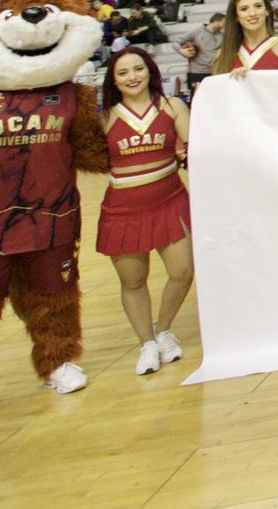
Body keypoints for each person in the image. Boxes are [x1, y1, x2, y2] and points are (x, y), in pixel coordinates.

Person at [97, 48, 193, 378]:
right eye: (123, 73)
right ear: (113, 79)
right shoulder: (104, 117)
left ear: (150, 71)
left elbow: (197, 147)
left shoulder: (171, 106)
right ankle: (146, 342)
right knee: (133, 281)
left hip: (170, 201)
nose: (133, 76)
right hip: (123, 211)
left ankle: (163, 329)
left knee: (182, 272)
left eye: (138, 69)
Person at [214, 0, 278, 74]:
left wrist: (256, 80)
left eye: (258, 6)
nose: (252, 13)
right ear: (236, 16)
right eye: (244, 9)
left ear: (267, 10)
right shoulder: (222, 54)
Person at [176, 10, 226, 97]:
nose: (224, 26)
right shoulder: (197, 32)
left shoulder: (222, 36)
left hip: (213, 72)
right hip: (196, 73)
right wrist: (182, 51)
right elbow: (176, 42)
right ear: (217, 21)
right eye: (223, 23)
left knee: (214, 98)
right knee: (196, 99)